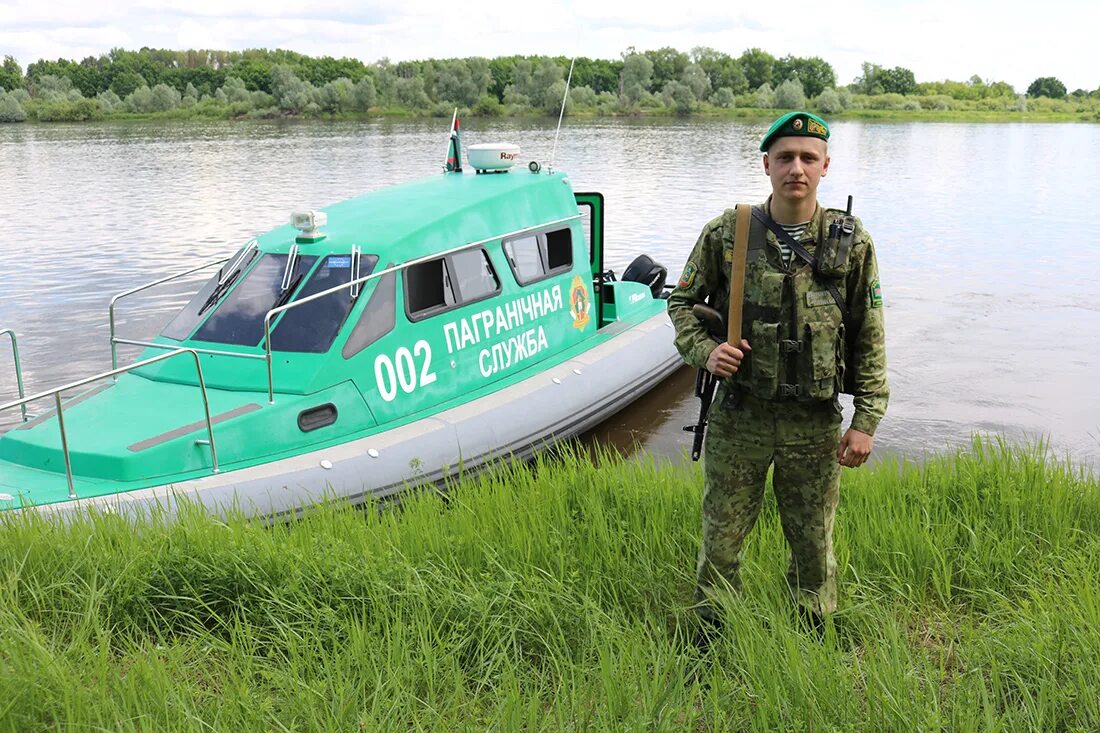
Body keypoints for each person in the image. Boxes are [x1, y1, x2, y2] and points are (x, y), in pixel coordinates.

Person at [667, 111, 889, 631]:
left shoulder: (850, 242)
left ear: (825, 166)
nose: (797, 168)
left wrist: (867, 419)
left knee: (813, 542)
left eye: (808, 158)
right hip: (740, 415)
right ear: (766, 164)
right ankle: (710, 635)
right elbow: (681, 303)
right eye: (785, 157)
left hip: (812, 423)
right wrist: (706, 352)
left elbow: (868, 330)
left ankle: (812, 634)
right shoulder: (728, 233)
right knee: (721, 539)